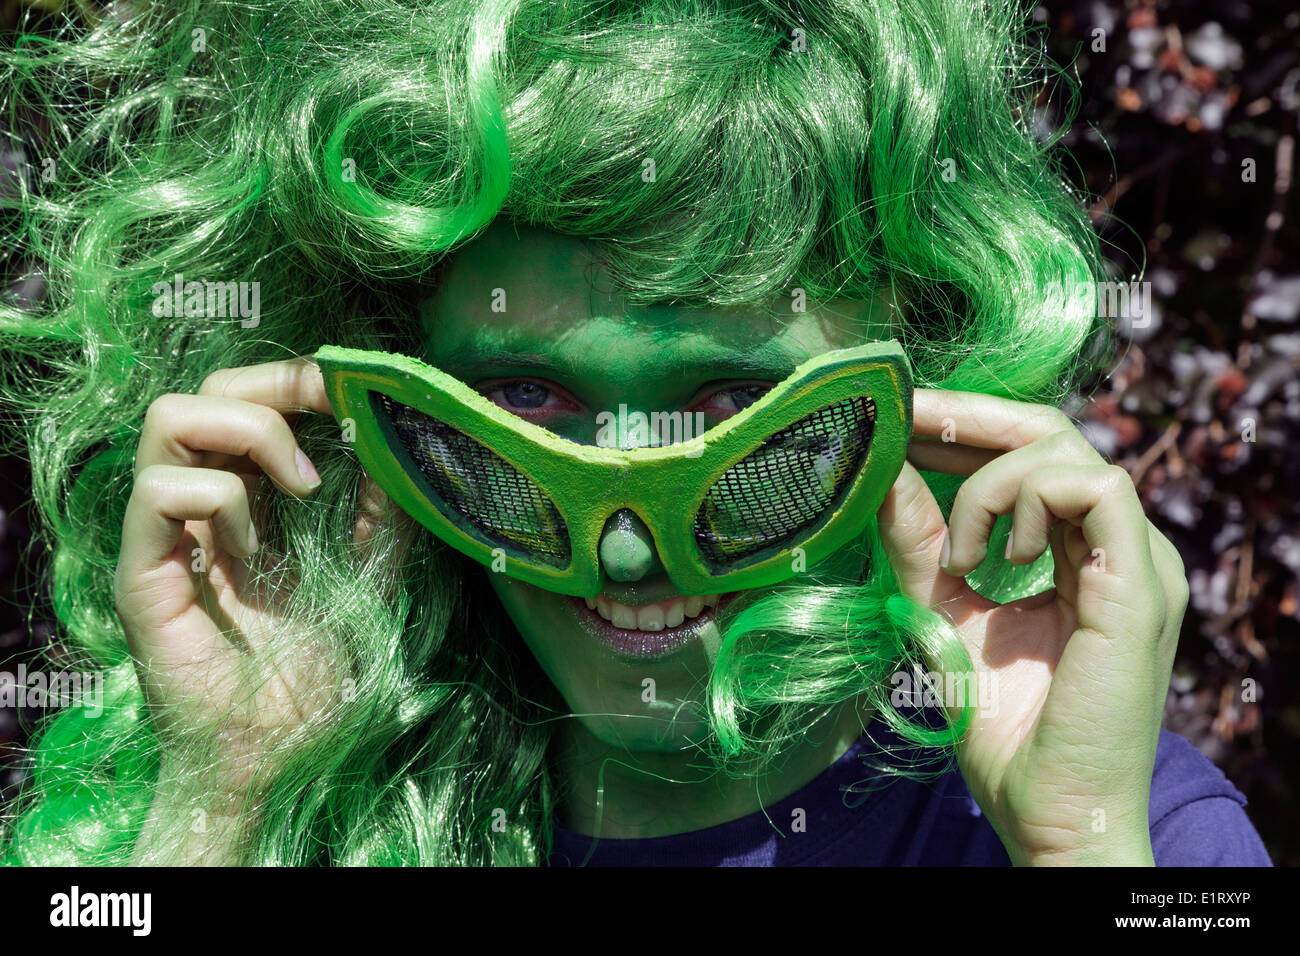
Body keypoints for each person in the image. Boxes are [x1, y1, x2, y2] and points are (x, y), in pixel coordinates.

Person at [0, 0, 1271, 866]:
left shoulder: (1146, 832)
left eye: (732, 408)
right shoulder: (282, 773)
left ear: (924, 388)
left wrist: (1077, 836)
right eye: (524, 402)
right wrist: (219, 802)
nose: (620, 556)